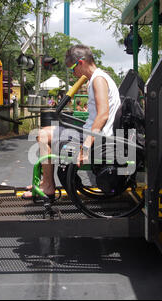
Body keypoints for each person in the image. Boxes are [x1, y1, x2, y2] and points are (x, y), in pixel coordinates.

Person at [22, 44, 121, 199]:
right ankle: (46, 183)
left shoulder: (98, 80)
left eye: (73, 68)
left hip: (99, 139)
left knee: (43, 135)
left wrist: (86, 148)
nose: (73, 73)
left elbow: (102, 115)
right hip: (91, 132)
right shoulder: (95, 79)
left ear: (81, 63)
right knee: (44, 133)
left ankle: (48, 186)